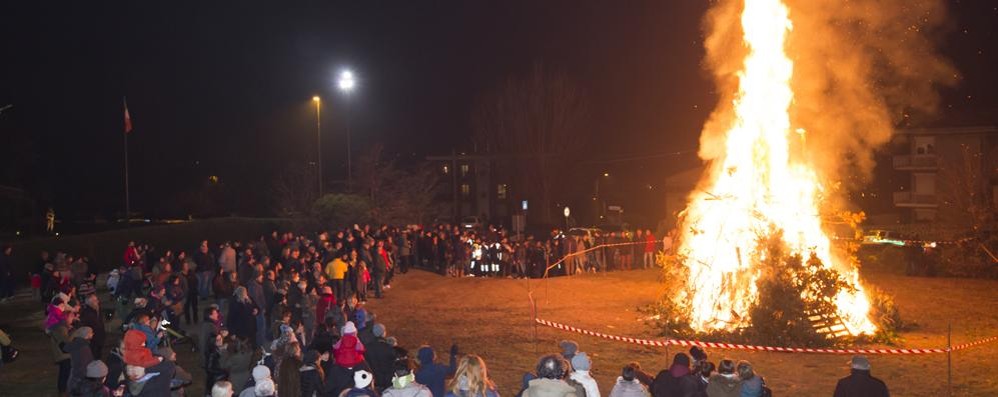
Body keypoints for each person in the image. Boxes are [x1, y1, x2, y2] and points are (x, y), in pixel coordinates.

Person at [365, 324, 397, 392]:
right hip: (387, 380)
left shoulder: (367, 347)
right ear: (383, 333)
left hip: (374, 380)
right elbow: (394, 360)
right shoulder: (388, 348)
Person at [66, 326, 96, 393]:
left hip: (75, 375)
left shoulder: (79, 343)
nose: (93, 334)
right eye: (91, 333)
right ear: (86, 334)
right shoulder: (83, 347)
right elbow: (84, 364)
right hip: (79, 378)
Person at [79, 293, 107, 358]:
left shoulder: (97, 310)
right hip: (93, 341)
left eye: (97, 300)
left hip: (99, 339)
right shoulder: (87, 313)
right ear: (90, 303)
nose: (98, 302)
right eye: (95, 300)